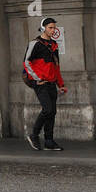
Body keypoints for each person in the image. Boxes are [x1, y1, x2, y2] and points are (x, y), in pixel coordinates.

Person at [23, 16, 67, 151]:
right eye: (50, 28)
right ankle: (34, 135)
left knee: (52, 112)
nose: (53, 30)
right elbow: (26, 62)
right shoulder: (35, 44)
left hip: (52, 83)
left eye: (54, 28)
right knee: (47, 109)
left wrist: (61, 84)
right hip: (40, 83)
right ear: (43, 28)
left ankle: (49, 141)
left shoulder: (54, 45)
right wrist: (37, 78)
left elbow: (56, 67)